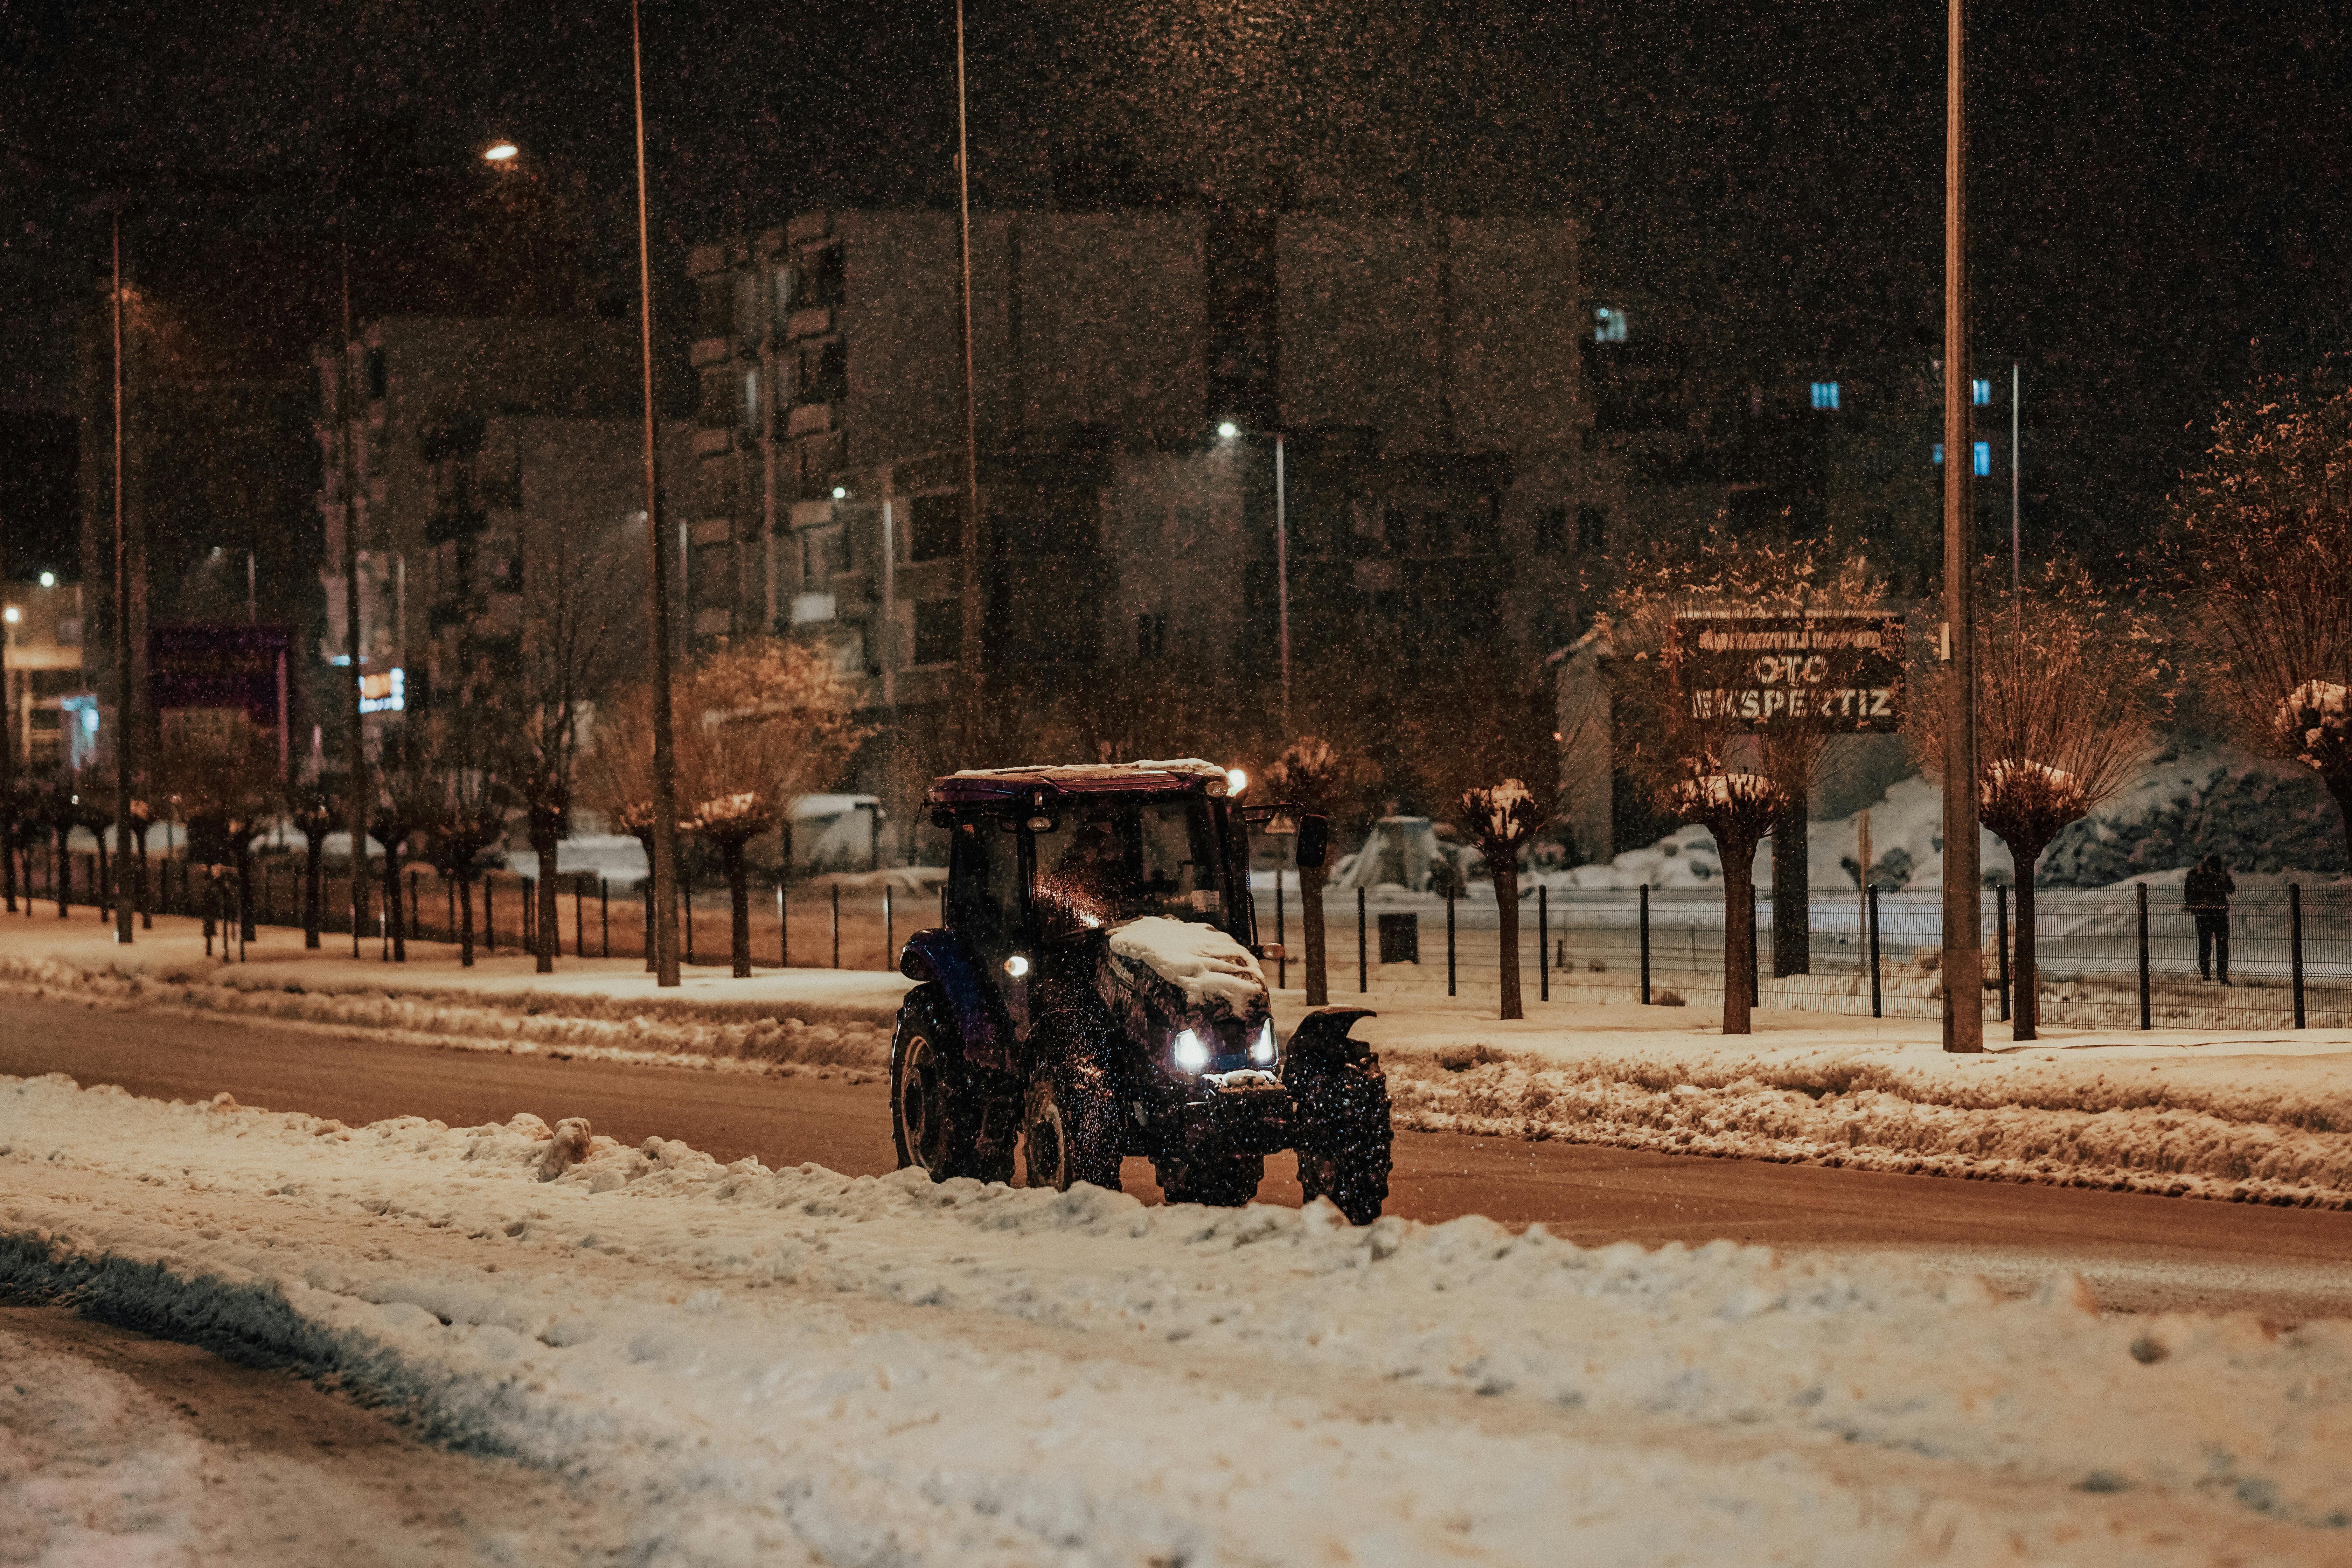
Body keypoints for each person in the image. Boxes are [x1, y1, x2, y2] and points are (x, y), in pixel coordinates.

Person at [2183, 852, 2235, 984]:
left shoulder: (2214, 874)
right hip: (2207, 914)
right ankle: (2208, 974)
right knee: (2208, 945)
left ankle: (2220, 975)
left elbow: (2231, 889)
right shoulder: (2198, 875)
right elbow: (2191, 891)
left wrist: (2223, 878)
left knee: (2219, 945)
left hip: (2215, 914)